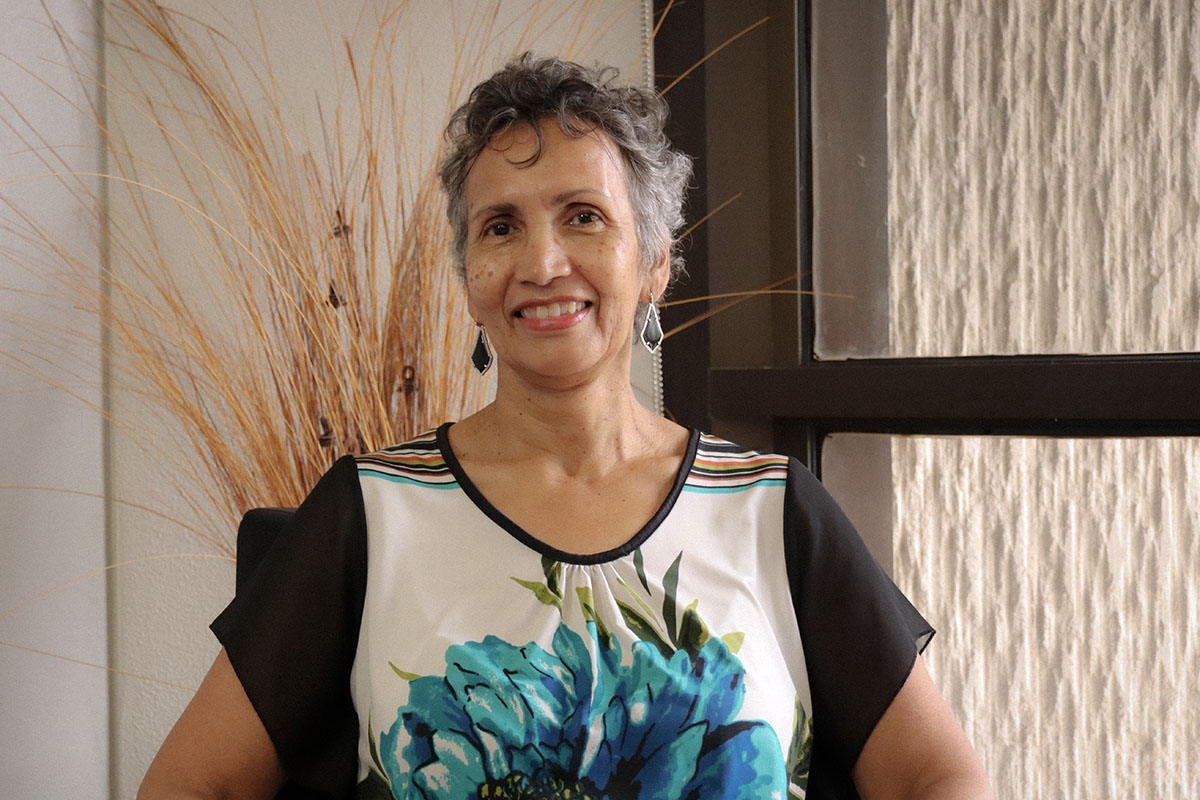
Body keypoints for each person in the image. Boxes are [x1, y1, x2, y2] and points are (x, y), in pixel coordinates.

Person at [139, 53, 991, 799]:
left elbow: (935, 777)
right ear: (472, 279)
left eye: (583, 215)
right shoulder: (371, 514)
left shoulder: (773, 512)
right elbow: (191, 783)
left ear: (655, 261)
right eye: (500, 227)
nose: (542, 264)